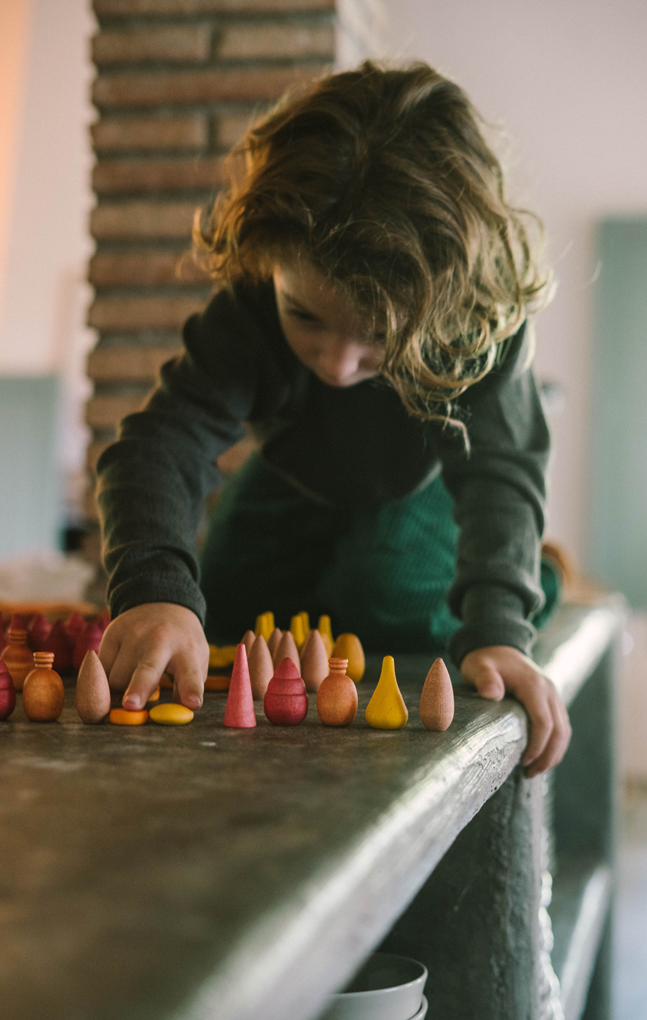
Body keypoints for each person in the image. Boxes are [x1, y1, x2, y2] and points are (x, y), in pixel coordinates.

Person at [96, 61, 571, 776]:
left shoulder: (481, 320)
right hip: (295, 474)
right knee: (222, 609)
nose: (337, 365)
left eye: (376, 337)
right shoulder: (254, 296)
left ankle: (541, 576)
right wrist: (156, 591)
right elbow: (161, 442)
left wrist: (501, 628)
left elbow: (501, 475)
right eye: (305, 316)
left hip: (423, 486)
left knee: (380, 596)